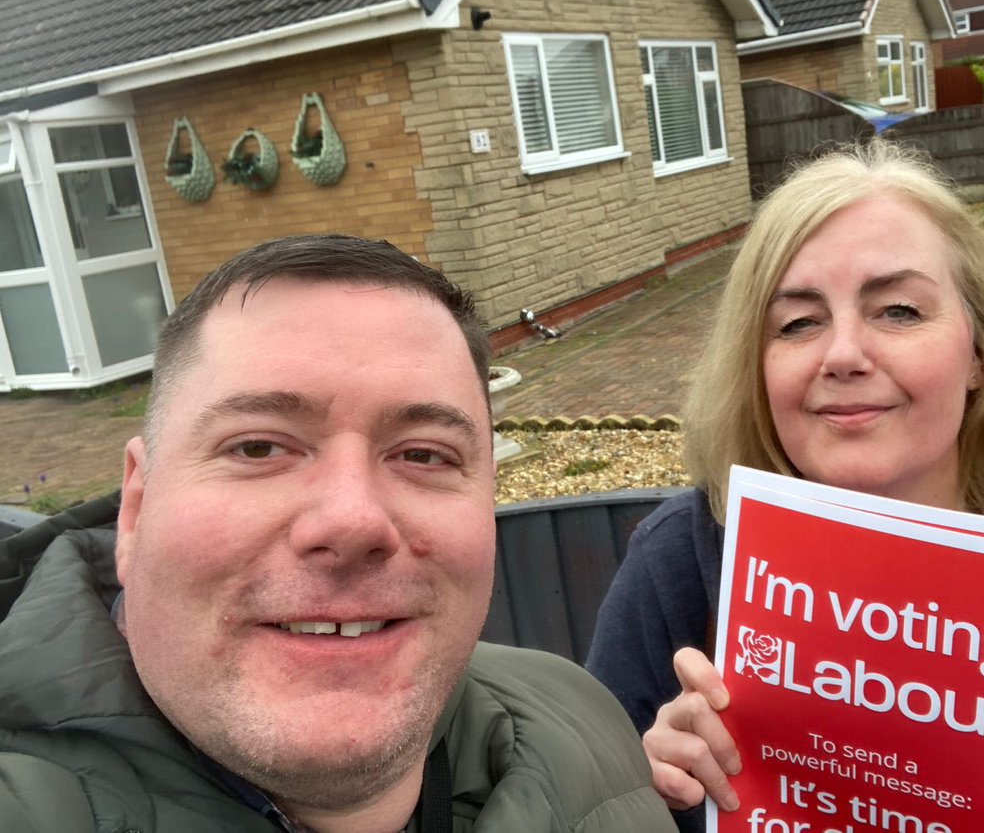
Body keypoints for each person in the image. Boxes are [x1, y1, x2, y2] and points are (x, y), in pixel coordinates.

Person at [585, 141, 984, 832]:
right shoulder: (678, 566)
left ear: (977, 351)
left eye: (899, 311)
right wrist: (640, 794)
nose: (844, 354)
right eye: (798, 322)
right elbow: (577, 803)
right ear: (755, 366)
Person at [0, 234, 676, 832]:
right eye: (260, 447)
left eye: (424, 453)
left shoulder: (581, 717)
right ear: (136, 506)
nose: (352, 520)